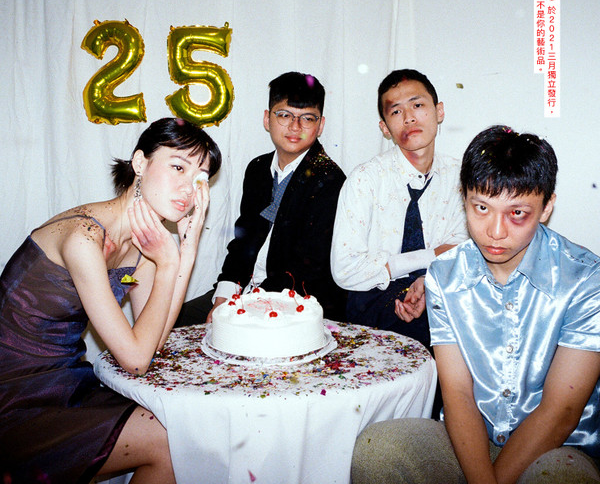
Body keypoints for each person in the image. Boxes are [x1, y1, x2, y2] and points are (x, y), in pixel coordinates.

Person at [351, 125, 600, 484]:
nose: (495, 231)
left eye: (517, 213)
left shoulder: (585, 278)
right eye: (481, 207)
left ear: (546, 207)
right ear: (464, 198)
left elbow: (560, 411)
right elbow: (457, 395)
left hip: (557, 446)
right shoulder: (445, 275)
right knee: (379, 450)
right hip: (469, 437)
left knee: (561, 477)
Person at [0, 117, 221, 484]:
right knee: (172, 444)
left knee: (182, 436)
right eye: (178, 167)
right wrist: (168, 263)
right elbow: (136, 361)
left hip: (63, 383)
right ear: (140, 163)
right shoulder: (84, 236)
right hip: (14, 397)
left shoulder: (143, 246)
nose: (189, 188)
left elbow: (154, 341)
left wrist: (188, 248)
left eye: (200, 178)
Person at [176, 71, 346, 325]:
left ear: (320, 125)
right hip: (245, 292)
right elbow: (243, 242)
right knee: (175, 323)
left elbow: (308, 267)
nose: (295, 127)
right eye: (284, 115)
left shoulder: (330, 180)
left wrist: (241, 306)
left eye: (307, 118)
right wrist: (224, 296)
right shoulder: (257, 168)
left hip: (295, 303)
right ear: (267, 119)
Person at [331, 68, 467, 348]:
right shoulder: (365, 179)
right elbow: (345, 268)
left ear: (439, 111)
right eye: (396, 111)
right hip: (374, 299)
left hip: (437, 291)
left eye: (417, 105)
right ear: (384, 128)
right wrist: (429, 256)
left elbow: (462, 249)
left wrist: (428, 279)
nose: (409, 118)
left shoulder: (460, 177)